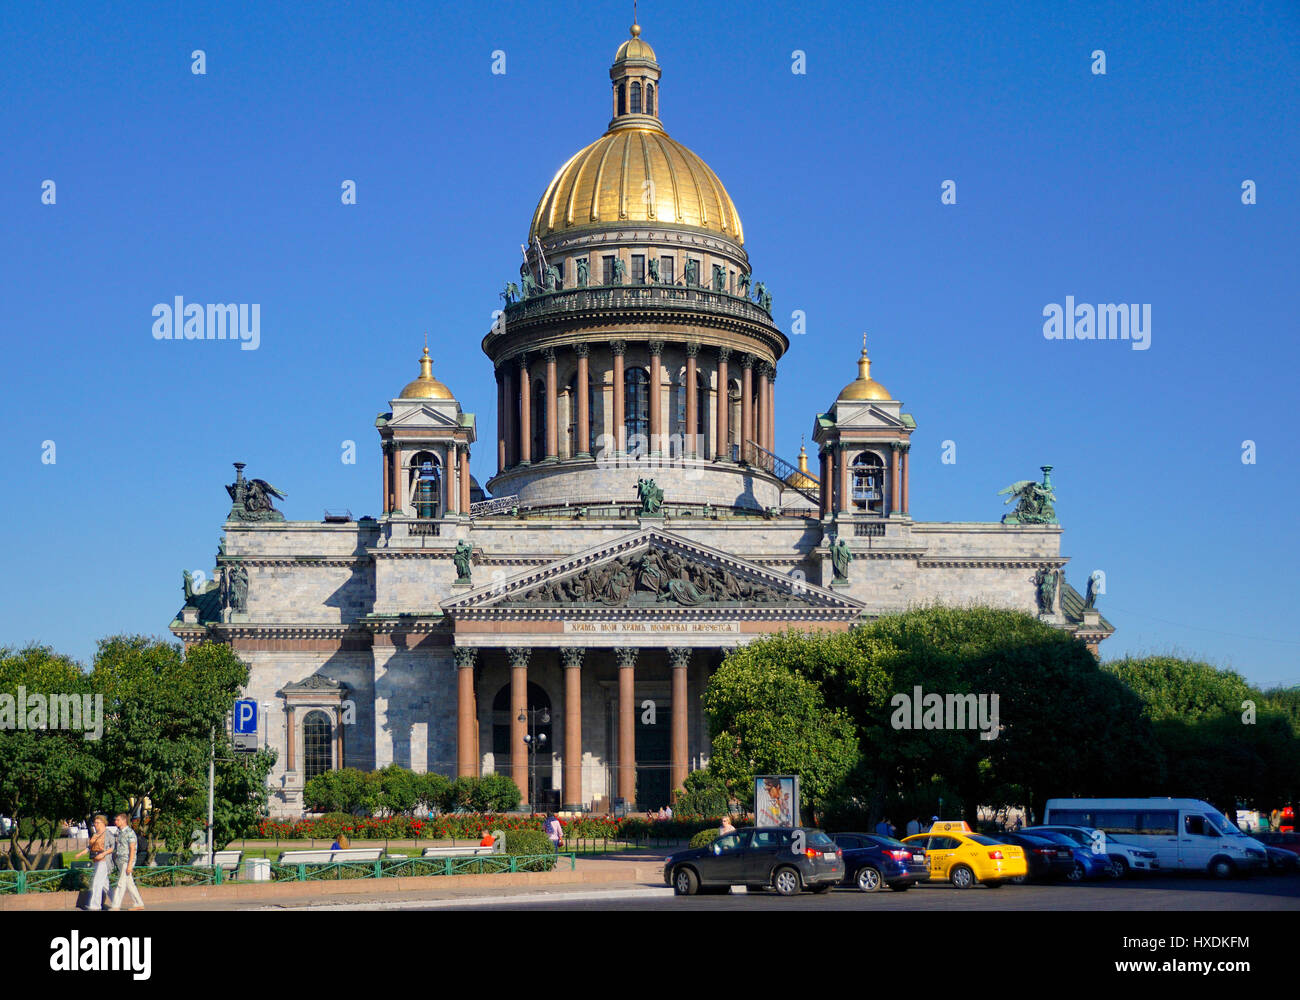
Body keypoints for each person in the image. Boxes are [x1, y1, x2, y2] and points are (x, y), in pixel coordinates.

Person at [74, 814, 114, 911]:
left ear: (103, 823)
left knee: (96, 882)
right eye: (94, 823)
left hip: (104, 861)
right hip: (96, 861)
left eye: (97, 823)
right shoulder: (95, 834)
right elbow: (89, 847)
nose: (95, 824)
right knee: (105, 884)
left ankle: (95, 906)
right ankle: (116, 901)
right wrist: (80, 854)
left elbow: (113, 847)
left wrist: (103, 854)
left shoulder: (108, 833)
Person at [108, 813, 144, 911]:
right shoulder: (119, 832)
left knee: (121, 883)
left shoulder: (130, 832)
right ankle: (139, 903)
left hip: (127, 861)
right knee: (129, 884)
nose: (116, 822)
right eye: (115, 820)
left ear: (124, 820)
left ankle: (115, 906)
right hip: (120, 860)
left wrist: (130, 865)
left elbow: (132, 849)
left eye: (118, 820)